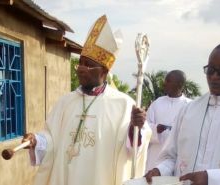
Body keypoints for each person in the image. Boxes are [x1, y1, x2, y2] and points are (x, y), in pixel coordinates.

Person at [22, 15, 151, 185]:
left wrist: (136, 128)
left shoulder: (124, 104)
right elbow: (52, 139)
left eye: (88, 65)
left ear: (104, 72)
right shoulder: (65, 102)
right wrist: (36, 140)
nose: (81, 69)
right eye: (80, 63)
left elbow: (133, 150)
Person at [145, 40, 220, 185]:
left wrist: (211, 179)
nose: (214, 77)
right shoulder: (189, 110)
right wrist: (160, 170)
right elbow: (171, 156)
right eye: (210, 70)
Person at [145, 70, 191, 172]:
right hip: (155, 155)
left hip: (177, 157)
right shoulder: (157, 103)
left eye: (168, 81)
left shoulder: (189, 106)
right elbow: (145, 127)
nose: (164, 83)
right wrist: (156, 129)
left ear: (179, 84)